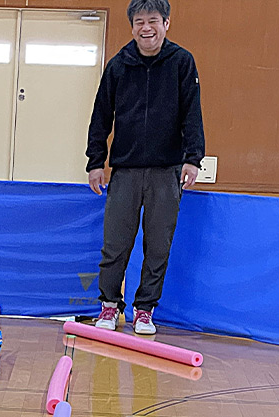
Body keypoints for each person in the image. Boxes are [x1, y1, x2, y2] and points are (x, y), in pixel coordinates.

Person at [86, 0, 205, 334]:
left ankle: (144, 310)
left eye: (153, 20)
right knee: (115, 244)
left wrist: (193, 157)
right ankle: (109, 306)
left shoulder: (182, 62)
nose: (146, 28)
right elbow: (100, 117)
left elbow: (192, 113)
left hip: (167, 172)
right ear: (132, 26)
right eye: (139, 21)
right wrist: (96, 161)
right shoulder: (118, 65)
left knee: (158, 246)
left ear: (166, 24)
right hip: (125, 171)